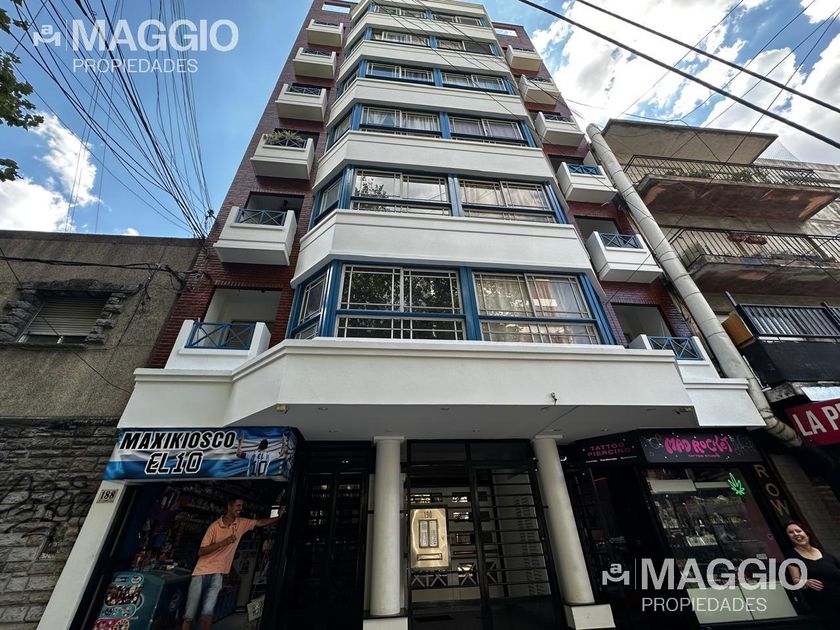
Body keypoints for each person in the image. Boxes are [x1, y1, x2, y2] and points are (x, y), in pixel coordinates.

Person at [181, 497, 286, 630]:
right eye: (238, 506)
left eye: (242, 506)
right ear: (229, 506)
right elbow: (201, 551)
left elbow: (259, 522)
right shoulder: (214, 526)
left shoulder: (241, 523)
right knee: (189, 615)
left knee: (207, 614)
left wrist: (278, 517)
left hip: (218, 574)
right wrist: (224, 542)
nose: (240, 509)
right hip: (201, 573)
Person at [785, 520, 840, 629]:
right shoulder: (792, 556)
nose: (795, 534)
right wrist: (806, 582)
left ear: (806, 533)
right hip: (825, 607)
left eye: (798, 531)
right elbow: (796, 580)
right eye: (791, 532)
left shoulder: (825, 554)